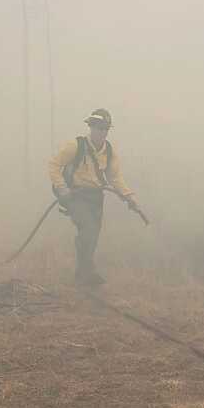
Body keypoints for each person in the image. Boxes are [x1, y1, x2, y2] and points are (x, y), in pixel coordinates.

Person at [47, 108, 140, 286]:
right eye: (98, 128)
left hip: (95, 197)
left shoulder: (109, 151)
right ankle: (85, 273)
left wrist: (129, 196)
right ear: (90, 127)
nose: (102, 132)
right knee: (88, 230)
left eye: (105, 128)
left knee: (93, 235)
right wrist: (62, 188)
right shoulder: (76, 146)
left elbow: (115, 177)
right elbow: (54, 164)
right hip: (75, 196)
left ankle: (84, 272)